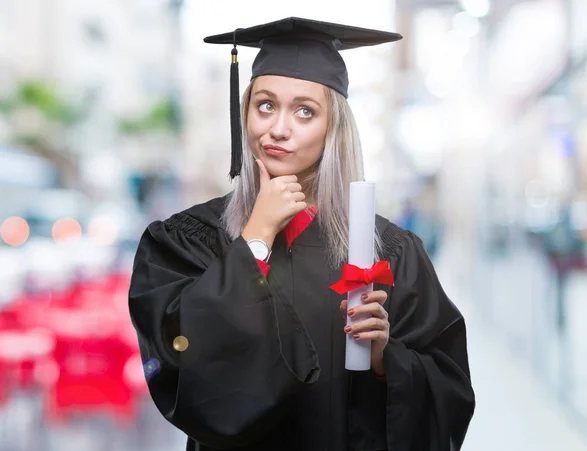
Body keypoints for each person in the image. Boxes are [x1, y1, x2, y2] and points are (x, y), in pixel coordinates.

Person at [128, 17, 475, 451]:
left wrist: (388, 359)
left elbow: (448, 390)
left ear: (334, 128)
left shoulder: (391, 251)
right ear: (246, 113)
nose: (278, 128)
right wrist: (255, 236)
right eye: (266, 105)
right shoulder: (188, 241)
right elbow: (177, 357)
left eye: (305, 111)